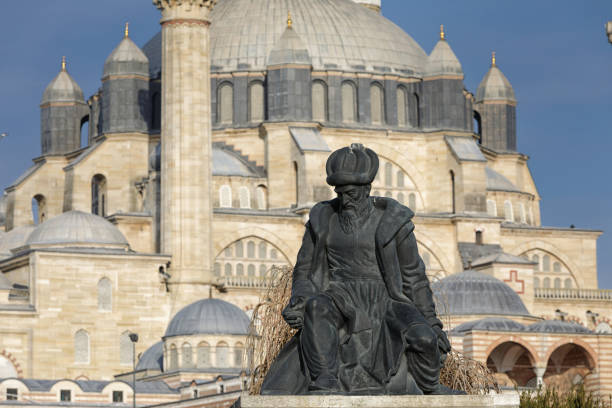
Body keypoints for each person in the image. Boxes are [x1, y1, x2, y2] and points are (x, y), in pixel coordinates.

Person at [261, 144, 452, 395]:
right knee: (317, 308)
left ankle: (430, 387)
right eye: (340, 193)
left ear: (366, 189)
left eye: (350, 193)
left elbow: (415, 278)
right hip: (340, 295)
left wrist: (433, 324)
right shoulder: (322, 219)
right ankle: (325, 380)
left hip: (386, 299)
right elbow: (305, 269)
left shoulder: (394, 222)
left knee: (424, 339)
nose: (344, 199)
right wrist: (300, 299)